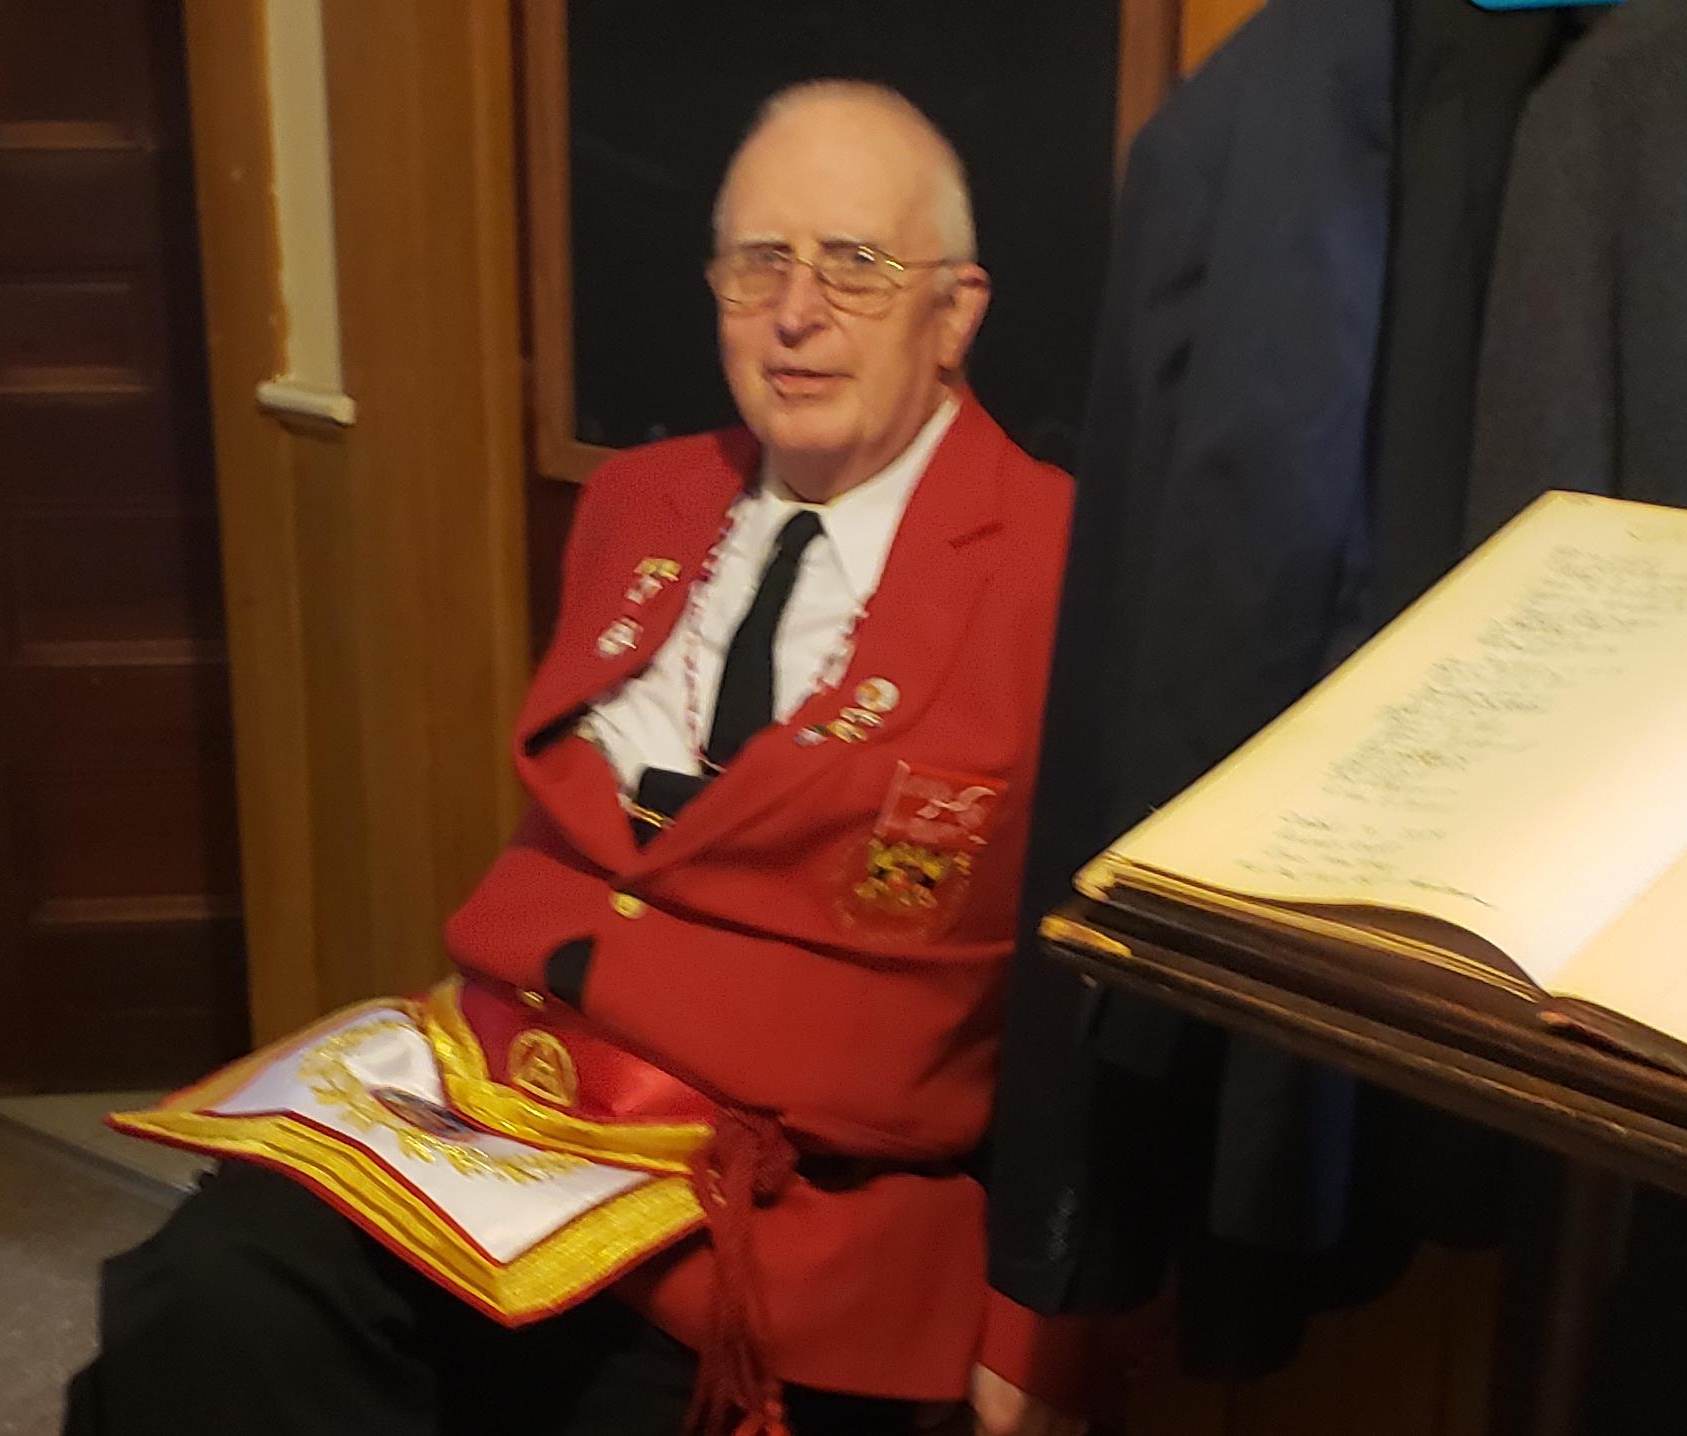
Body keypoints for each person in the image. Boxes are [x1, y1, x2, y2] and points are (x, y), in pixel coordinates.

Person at [65, 81, 1090, 1436]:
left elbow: (1095, 998)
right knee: (207, 1298)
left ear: (953, 312)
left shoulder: (1061, 567)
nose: (796, 312)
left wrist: (1047, 1327)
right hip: (496, 1120)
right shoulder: (640, 500)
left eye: (854, 264)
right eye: (758, 263)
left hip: (773, 1224)